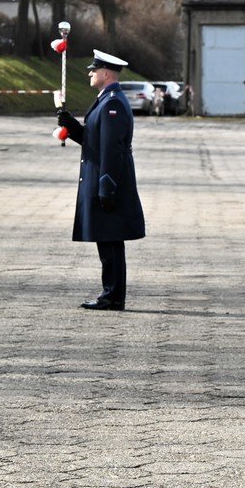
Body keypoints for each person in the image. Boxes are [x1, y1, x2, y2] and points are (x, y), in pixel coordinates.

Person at [55, 50, 146, 310]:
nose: (90, 73)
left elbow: (111, 148)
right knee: (108, 240)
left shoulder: (112, 102)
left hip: (109, 180)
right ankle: (112, 293)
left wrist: (106, 186)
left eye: (94, 70)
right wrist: (71, 126)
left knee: (110, 240)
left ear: (106, 73)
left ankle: (113, 295)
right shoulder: (106, 99)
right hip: (106, 178)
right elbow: (94, 140)